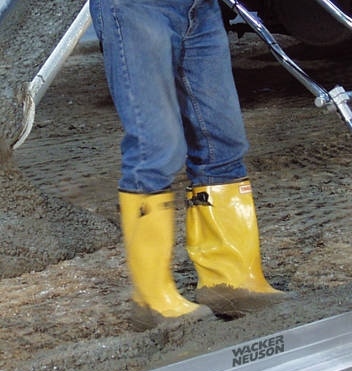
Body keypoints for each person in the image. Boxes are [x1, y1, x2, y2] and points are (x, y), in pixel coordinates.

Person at [90, 0, 281, 329]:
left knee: (223, 141)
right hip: (136, 8)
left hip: (201, 8)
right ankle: (152, 299)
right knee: (156, 148)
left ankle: (230, 279)